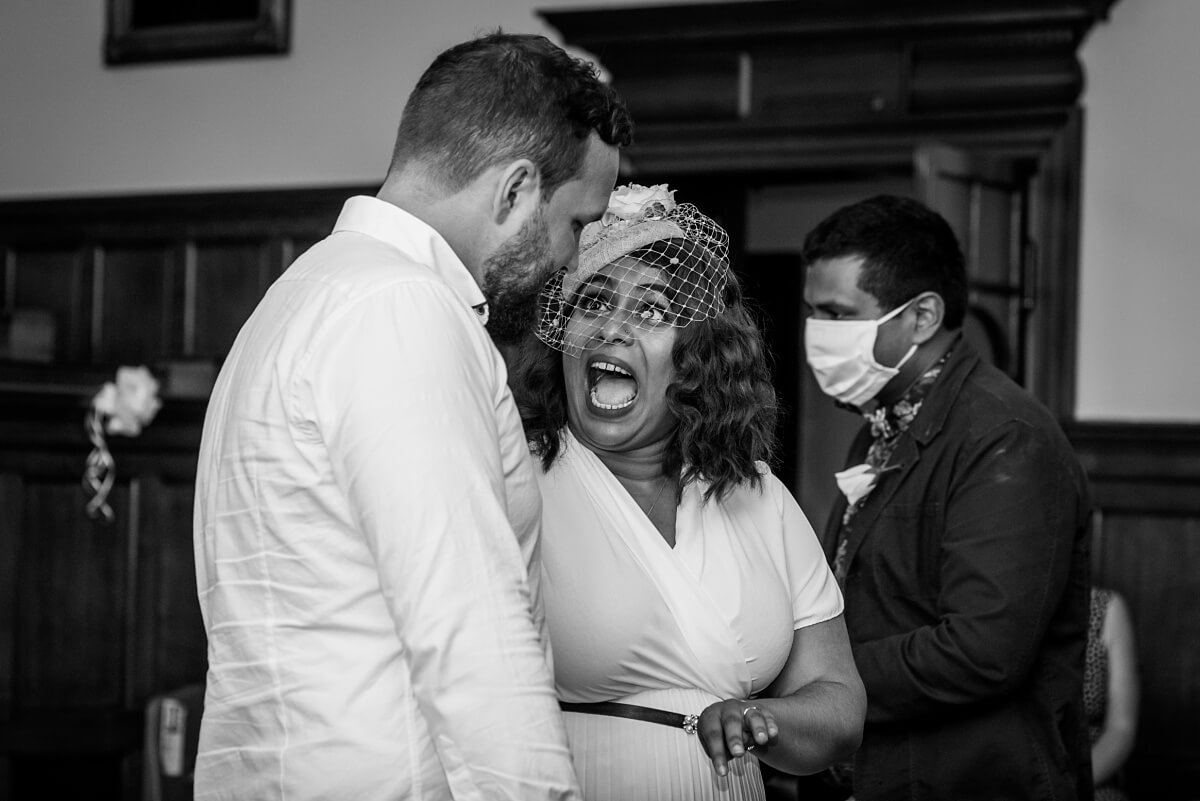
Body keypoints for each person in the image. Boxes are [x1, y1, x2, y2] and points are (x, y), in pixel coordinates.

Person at [192, 33, 632, 801]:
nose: (573, 256)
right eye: (578, 223)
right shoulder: (402, 309)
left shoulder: (301, 294)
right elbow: (470, 628)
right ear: (516, 191)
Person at [510, 183, 866, 801]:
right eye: (593, 303)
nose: (613, 329)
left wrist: (766, 721)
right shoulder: (518, 483)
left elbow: (838, 706)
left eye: (650, 311)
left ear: (697, 357)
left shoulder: (758, 498)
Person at [799, 194, 1094, 800]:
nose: (817, 335)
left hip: (970, 779)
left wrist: (819, 687)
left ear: (924, 316)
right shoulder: (879, 426)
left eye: (837, 313)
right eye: (814, 313)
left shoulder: (1006, 437)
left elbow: (982, 650)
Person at [1085, 587, 1139, 801]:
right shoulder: (1004, 608)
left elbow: (1121, 730)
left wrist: (1066, 785)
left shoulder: (1106, 607)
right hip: (1014, 775)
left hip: (1091, 776)